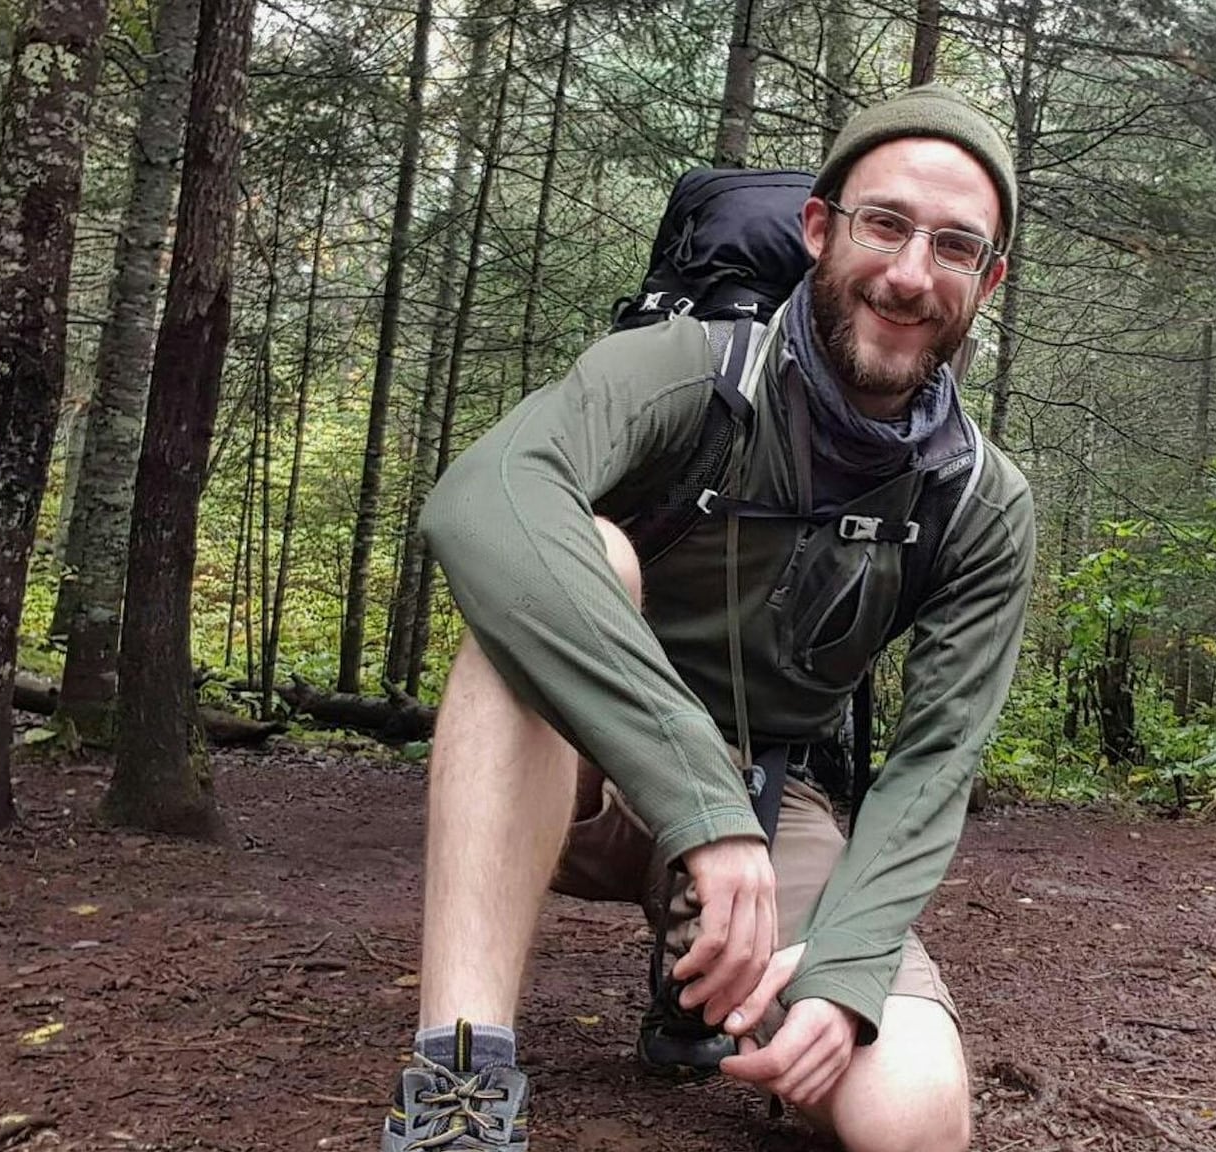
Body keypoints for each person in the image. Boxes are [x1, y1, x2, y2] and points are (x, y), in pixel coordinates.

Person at [384, 86, 1036, 1152]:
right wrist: (699, 798)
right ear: (819, 230)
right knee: (573, 556)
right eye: (885, 224)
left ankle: (706, 960)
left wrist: (847, 973)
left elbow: (933, 767)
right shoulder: (687, 369)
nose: (911, 274)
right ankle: (460, 1082)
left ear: (986, 279)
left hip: (772, 802)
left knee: (909, 1119)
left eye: (954, 246)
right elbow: (481, 498)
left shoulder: (976, 497)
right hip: (576, 770)